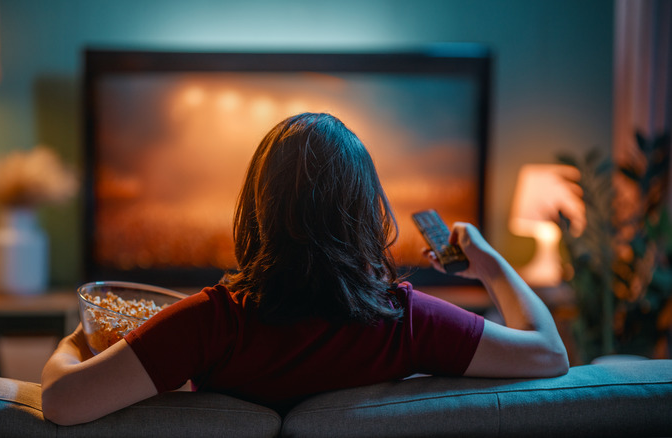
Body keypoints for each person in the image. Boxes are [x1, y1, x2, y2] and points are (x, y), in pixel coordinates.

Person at [41, 113, 569, 425]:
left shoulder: (210, 323)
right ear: (365, 212)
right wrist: (492, 266)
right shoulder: (405, 323)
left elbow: (61, 403)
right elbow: (549, 354)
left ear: (258, 208)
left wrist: (79, 342)